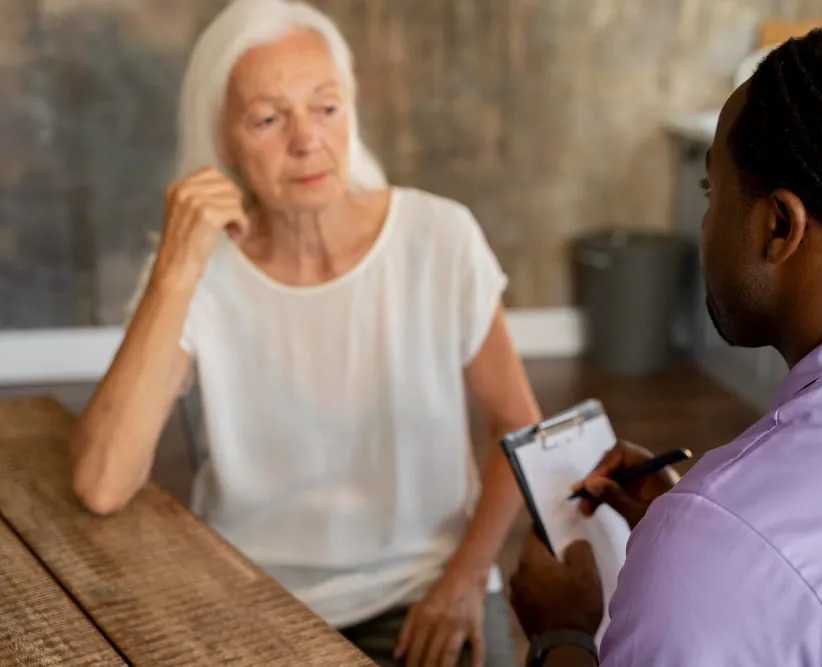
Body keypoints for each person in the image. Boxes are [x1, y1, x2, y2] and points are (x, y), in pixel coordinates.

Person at [508, 23, 822, 666]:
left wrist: (563, 632)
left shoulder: (726, 546)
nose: (705, 220)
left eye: (712, 192)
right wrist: (704, 531)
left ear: (778, 226)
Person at [68, 1, 541, 666]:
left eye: (326, 107)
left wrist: (465, 577)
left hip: (421, 591)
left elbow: (518, 425)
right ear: (222, 139)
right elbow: (102, 482)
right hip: (247, 598)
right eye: (268, 119)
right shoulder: (195, 272)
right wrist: (175, 267)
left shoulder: (439, 237)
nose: (306, 140)